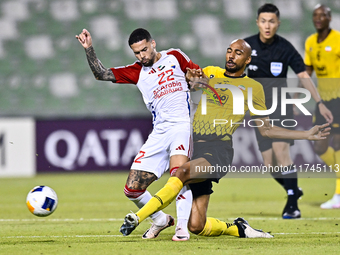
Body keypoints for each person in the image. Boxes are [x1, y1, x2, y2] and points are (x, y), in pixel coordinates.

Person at [119, 39, 330, 238]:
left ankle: (138, 217)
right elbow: (191, 80)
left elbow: (266, 130)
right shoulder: (211, 73)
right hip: (197, 148)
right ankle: (238, 229)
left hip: (218, 151)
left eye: (238, 53)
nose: (231, 56)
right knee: (197, 226)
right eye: (229, 51)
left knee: (181, 172)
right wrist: (192, 79)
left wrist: (306, 134)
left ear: (247, 60)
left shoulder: (253, 88)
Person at [76, 28, 199, 241]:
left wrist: (195, 79)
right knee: (132, 189)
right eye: (136, 53)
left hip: (181, 126)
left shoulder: (175, 56)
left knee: (178, 175)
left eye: (144, 50)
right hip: (159, 131)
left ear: (153, 43)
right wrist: (89, 49)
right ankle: (161, 220)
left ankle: (181, 227)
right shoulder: (136, 71)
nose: (141, 56)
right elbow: (101, 74)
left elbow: (198, 79)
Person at [244, 3, 333, 219]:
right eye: (263, 21)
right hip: (259, 111)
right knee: (269, 164)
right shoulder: (246, 46)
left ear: (278, 23)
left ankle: (292, 204)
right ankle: (293, 188)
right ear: (257, 22)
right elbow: (231, 72)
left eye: (271, 21)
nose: (267, 26)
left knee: (282, 154)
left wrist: (319, 101)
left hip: (281, 107)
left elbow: (303, 75)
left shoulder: (285, 48)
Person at [304, 4, 340, 209]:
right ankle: (339, 177)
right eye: (315, 15)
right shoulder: (310, 42)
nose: (318, 18)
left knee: (337, 144)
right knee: (319, 145)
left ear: (330, 18)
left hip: (339, 98)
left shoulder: (337, 39)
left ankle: (338, 194)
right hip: (323, 101)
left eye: (322, 15)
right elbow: (307, 71)